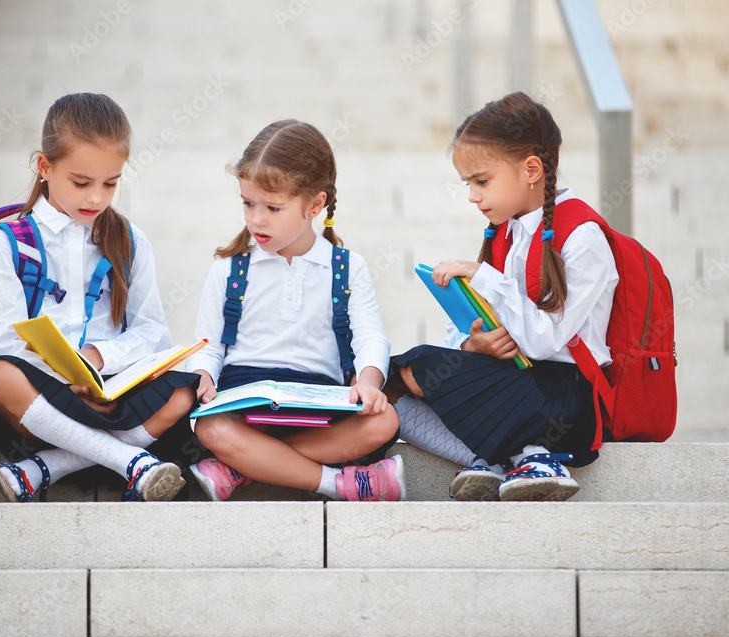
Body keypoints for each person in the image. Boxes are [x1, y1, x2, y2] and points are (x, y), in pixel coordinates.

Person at [388, 91, 618, 502]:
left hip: (567, 397)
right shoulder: (510, 233)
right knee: (390, 389)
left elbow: (546, 341)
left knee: (416, 369)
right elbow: (478, 325)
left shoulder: (583, 237)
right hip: (521, 381)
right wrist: (471, 345)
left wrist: (484, 276)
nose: (473, 196)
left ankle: (536, 455)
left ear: (531, 169)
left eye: (481, 181)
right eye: (467, 184)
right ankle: (505, 460)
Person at [0, 93, 198, 502]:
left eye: (110, 184)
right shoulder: (9, 243)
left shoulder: (131, 241)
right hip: (42, 401)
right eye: (81, 183)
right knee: (0, 375)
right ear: (45, 167)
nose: (96, 198)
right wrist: (65, 375)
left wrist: (98, 359)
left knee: (185, 388)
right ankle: (134, 462)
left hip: (110, 394)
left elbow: (153, 333)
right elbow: (3, 344)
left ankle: (42, 470)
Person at [186, 119, 403, 502]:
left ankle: (241, 466)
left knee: (385, 421)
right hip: (246, 406)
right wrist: (202, 375)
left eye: (272, 207)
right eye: (248, 203)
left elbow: (370, 337)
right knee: (211, 428)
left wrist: (368, 383)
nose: (256, 219)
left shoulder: (347, 267)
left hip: (319, 406)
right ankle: (340, 484)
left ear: (316, 204)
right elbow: (207, 344)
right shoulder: (229, 269)